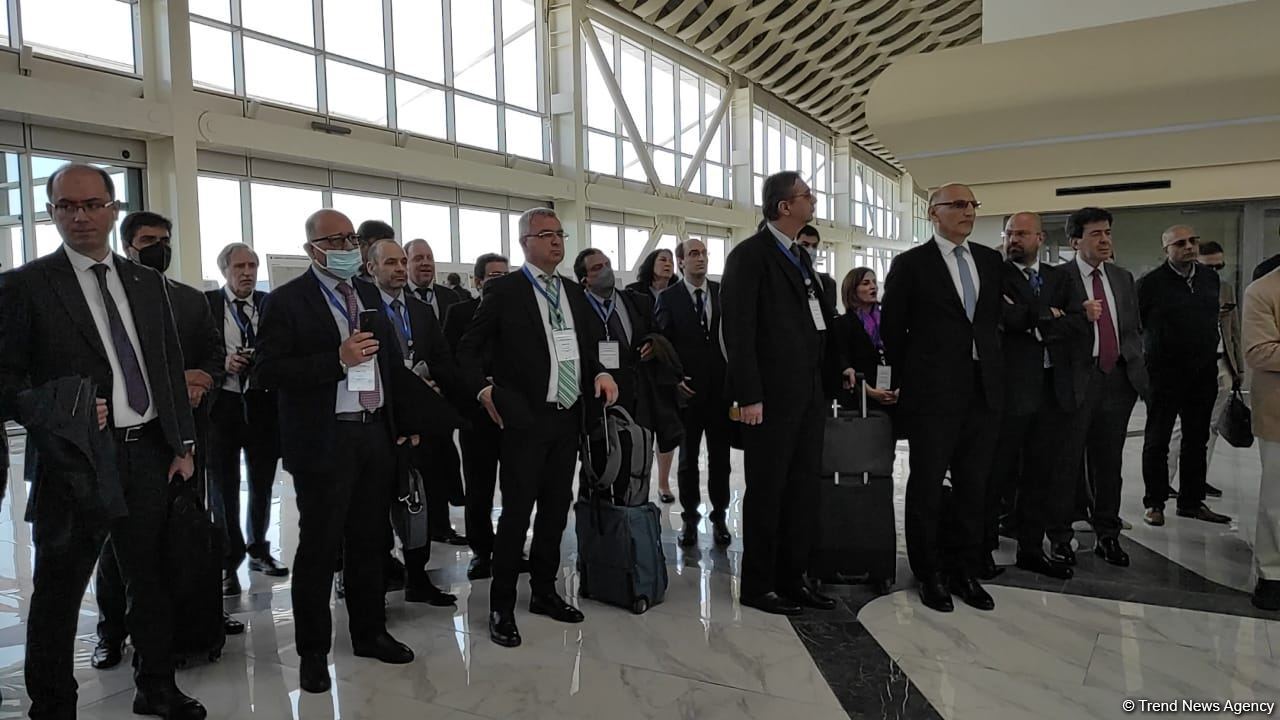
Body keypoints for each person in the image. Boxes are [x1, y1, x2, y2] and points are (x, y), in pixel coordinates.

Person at [0, 163, 206, 718]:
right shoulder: (24, 286)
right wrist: (58, 404)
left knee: (150, 578)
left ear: (112, 210)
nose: (80, 216)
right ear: (51, 213)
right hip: (73, 461)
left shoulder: (145, 283)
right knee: (58, 595)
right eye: (67, 206)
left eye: (92, 204)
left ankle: (156, 686)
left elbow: (165, 366)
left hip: (147, 452)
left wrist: (182, 444)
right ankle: (53, 705)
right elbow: (6, 379)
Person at [255, 209, 421, 693]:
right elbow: (268, 372)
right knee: (321, 547)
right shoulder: (287, 302)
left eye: (352, 238)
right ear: (313, 249)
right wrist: (336, 360)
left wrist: (404, 424)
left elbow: (390, 364)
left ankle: (370, 632)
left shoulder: (368, 294)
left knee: (370, 540)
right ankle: (312, 652)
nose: (349, 247)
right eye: (337, 240)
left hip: (372, 432)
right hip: (323, 440)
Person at [457, 207, 618, 648]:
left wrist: (601, 373)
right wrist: (484, 393)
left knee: (555, 509)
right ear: (525, 242)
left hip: (567, 416)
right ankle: (501, 605)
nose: (555, 241)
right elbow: (467, 353)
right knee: (515, 515)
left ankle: (544, 592)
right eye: (545, 235)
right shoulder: (506, 291)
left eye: (559, 234)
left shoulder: (571, 290)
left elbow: (584, 348)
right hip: (525, 419)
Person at [91, 211, 238, 671]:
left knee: (182, 534)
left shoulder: (190, 300)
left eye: (165, 239)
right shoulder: (106, 297)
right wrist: (178, 378)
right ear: (128, 244)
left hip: (183, 437)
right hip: (124, 440)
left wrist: (206, 378)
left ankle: (192, 620)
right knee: (119, 547)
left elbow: (214, 355)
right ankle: (112, 632)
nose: (160, 247)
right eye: (149, 239)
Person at [721, 171, 852, 616]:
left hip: (808, 395)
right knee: (768, 491)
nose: (812, 201)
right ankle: (759, 584)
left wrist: (837, 372)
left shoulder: (801, 257)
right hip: (769, 400)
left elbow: (819, 323)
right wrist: (749, 396)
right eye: (806, 196)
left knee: (802, 491)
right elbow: (738, 332)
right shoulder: (750, 257)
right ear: (783, 207)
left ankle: (794, 577)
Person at [880, 182, 1004, 614]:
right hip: (933, 393)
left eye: (972, 203)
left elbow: (993, 323)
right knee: (928, 484)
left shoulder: (989, 260)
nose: (968, 211)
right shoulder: (912, 264)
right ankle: (928, 571)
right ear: (934, 213)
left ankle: (964, 569)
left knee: (974, 485)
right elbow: (892, 331)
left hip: (982, 389)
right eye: (958, 204)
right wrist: (902, 383)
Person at [984, 212, 1088, 581]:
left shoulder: (1061, 276)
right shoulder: (995, 274)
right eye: (1010, 232)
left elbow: (1079, 323)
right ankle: (982, 549)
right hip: (1011, 391)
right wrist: (1049, 316)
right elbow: (1005, 319)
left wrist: (1037, 321)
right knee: (997, 474)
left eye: (1022, 233)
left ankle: (1031, 548)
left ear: (1040, 238)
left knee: (1041, 476)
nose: (1014, 239)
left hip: (1052, 391)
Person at [365, 238, 460, 606]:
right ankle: (377, 581)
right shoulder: (364, 308)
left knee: (419, 499)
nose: (400, 268)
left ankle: (418, 578)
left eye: (402, 261)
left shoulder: (421, 312)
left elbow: (441, 357)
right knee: (376, 506)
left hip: (419, 421)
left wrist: (438, 384)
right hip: (378, 420)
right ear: (372, 268)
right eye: (391, 262)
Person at [1054, 207, 1149, 567]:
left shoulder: (1123, 278)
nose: (1105, 239)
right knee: (1066, 463)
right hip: (1077, 380)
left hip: (1117, 379)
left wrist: (1133, 364)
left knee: (1109, 464)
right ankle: (1060, 536)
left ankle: (1107, 534)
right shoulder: (1059, 279)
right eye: (1096, 234)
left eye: (1107, 232)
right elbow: (1050, 329)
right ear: (1075, 240)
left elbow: (1132, 327)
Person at [204, 242, 287, 598]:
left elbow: (283, 347)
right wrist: (223, 362)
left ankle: (259, 549)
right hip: (222, 405)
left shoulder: (270, 305)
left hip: (262, 403)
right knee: (223, 486)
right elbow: (193, 350)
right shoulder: (206, 305)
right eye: (240, 266)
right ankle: (227, 560)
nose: (247, 272)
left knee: (263, 482)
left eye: (252, 266)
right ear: (225, 270)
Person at [1138, 225, 1231, 527]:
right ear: (1166, 249)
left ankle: (1191, 501)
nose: (1189, 247)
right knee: (1157, 440)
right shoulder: (1150, 284)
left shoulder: (1209, 279)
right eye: (1180, 243)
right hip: (1163, 374)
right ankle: (1155, 502)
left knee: (1197, 439)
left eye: (1193, 241)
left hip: (1202, 372)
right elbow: (1136, 328)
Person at [659, 239, 732, 548]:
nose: (700, 259)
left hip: (720, 391)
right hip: (687, 392)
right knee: (688, 459)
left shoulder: (721, 293)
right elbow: (662, 344)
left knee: (720, 459)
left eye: (703, 254)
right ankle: (690, 518)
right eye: (693, 254)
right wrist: (674, 381)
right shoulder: (669, 298)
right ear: (681, 262)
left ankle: (719, 516)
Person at [442, 253, 510, 580]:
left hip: (512, 413)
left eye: (504, 275)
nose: (499, 281)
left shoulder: (518, 313)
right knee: (479, 487)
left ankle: (510, 548)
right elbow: (450, 360)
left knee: (515, 485)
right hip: (476, 412)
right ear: (478, 281)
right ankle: (482, 551)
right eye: (493, 276)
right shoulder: (460, 313)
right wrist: (478, 389)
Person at [403, 238, 466, 545]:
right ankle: (416, 527)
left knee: (442, 460)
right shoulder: (397, 300)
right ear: (406, 263)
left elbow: (456, 346)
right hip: (412, 395)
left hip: (445, 392)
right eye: (418, 258)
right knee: (417, 463)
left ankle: (441, 524)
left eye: (429, 257)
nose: (425, 263)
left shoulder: (449, 297)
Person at [1167, 240, 1238, 497]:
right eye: (1210, 266)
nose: (1216, 272)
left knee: (1210, 427)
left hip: (1221, 363)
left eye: (1220, 266)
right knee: (1180, 427)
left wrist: (1238, 369)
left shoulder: (1226, 288)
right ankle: (1166, 479)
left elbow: (1234, 331)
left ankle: (1196, 479)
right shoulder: (1180, 288)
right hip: (1191, 366)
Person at [572, 248, 655, 414]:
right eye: (597, 268)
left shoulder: (638, 301)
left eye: (607, 264)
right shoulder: (577, 310)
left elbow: (653, 332)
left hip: (640, 397)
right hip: (603, 398)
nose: (606, 270)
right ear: (584, 279)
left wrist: (653, 343)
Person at [1241, 264, 1280, 611]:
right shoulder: (1263, 290)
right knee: (1277, 500)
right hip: (1278, 412)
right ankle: (1272, 574)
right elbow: (1258, 352)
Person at [626, 248, 677, 504]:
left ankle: (664, 482)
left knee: (667, 429)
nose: (668, 264)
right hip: (642, 370)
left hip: (667, 369)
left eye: (671, 261)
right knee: (642, 428)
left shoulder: (678, 293)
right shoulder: (634, 292)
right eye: (663, 259)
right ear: (651, 264)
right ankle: (640, 480)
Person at [832, 267, 897, 410]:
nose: (873, 286)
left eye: (874, 282)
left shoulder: (888, 322)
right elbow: (841, 362)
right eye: (866, 283)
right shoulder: (842, 324)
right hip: (860, 400)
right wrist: (869, 391)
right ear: (852, 289)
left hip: (892, 397)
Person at [797, 225, 837, 304]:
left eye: (814, 246)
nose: (810, 250)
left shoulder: (828, 283)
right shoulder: (784, 278)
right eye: (805, 245)